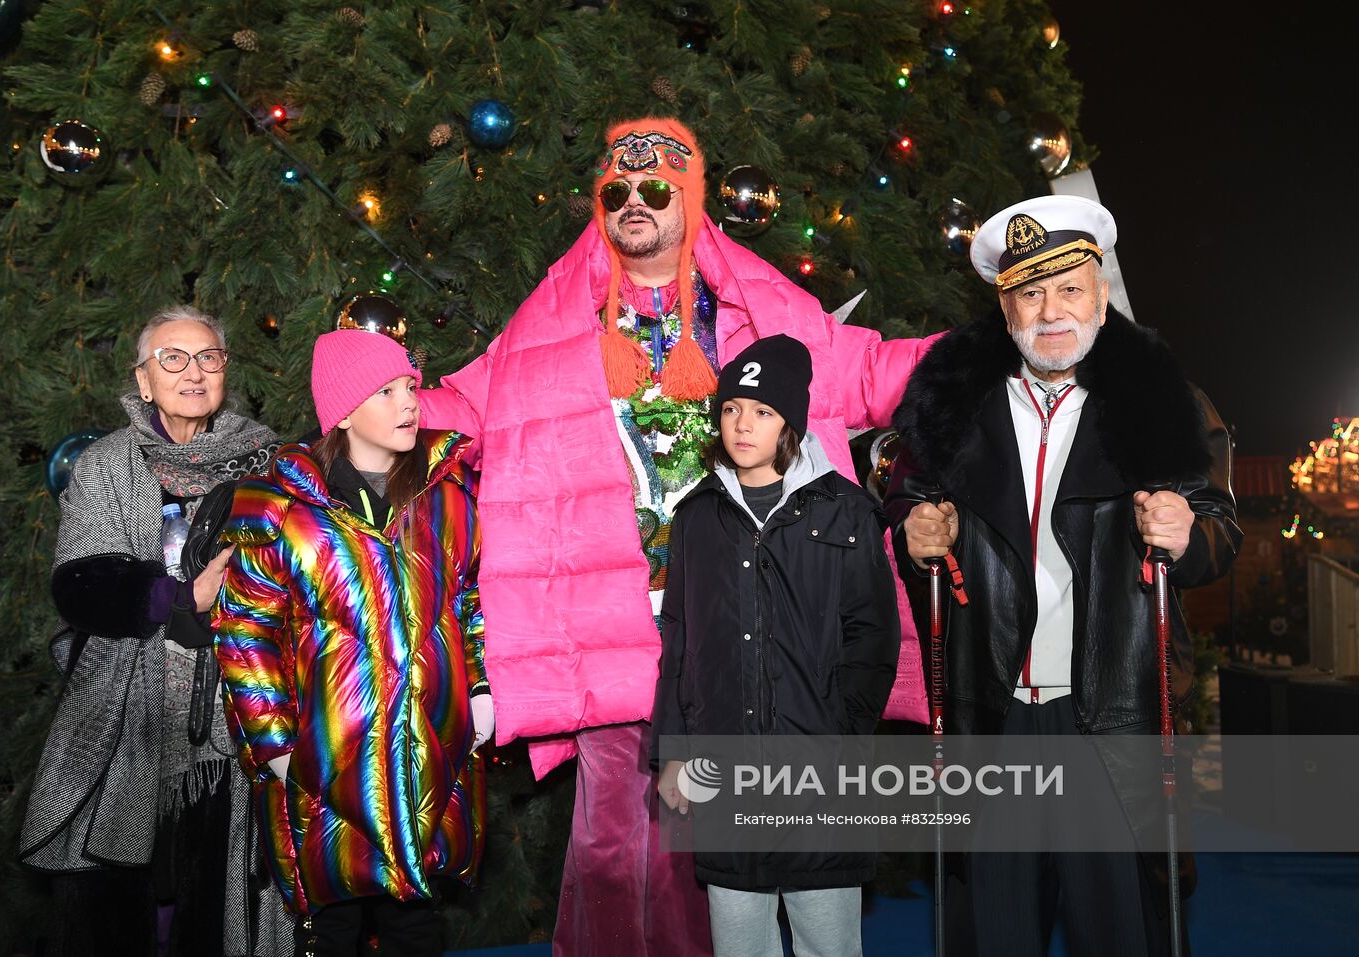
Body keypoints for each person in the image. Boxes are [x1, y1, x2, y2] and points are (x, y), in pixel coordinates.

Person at [416, 115, 937, 954]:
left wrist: (992, 346)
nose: (633, 203)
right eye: (616, 191)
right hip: (614, 620)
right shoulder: (559, 323)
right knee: (613, 840)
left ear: (690, 201)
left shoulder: (750, 312)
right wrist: (387, 409)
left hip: (738, 612)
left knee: (719, 837)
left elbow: (867, 371)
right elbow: (470, 406)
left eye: (655, 189)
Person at [885, 195, 1242, 955]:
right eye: (1030, 292)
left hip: (1108, 714)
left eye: (1069, 287)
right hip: (994, 713)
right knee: (996, 932)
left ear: (1100, 294)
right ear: (1005, 305)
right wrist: (917, 534)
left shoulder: (1160, 403)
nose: (1051, 311)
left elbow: (1221, 531)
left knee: (1116, 932)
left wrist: (1187, 533)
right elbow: (908, 504)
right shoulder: (954, 408)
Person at [212, 329, 492, 957]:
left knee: (417, 926)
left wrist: (478, 685)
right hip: (326, 765)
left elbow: (471, 600)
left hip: (427, 760)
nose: (409, 403)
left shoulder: (447, 499)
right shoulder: (282, 511)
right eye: (386, 391)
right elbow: (244, 633)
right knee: (332, 929)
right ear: (342, 411)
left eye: (411, 388)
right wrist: (275, 744)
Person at [19, 305, 288, 956]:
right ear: (143, 380)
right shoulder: (109, 463)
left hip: (234, 719)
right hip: (125, 718)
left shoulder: (268, 460)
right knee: (114, 906)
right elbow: (80, 582)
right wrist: (179, 597)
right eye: (173, 357)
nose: (192, 371)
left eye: (208, 357)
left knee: (217, 903)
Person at [651, 335, 898, 957]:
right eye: (732, 408)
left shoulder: (847, 511)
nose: (742, 425)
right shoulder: (697, 517)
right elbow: (678, 637)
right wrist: (674, 751)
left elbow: (873, 636)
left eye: (761, 412)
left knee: (829, 942)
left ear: (790, 422)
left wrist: (844, 731)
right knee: (739, 942)